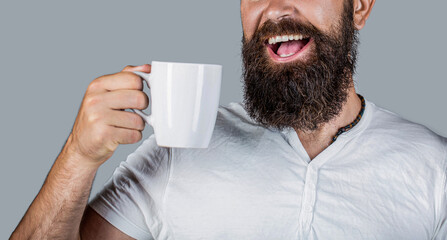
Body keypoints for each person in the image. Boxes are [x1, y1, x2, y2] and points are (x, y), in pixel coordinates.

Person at [10, 0, 447, 239]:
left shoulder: (435, 169)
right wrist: (78, 157)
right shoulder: (178, 153)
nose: (276, 8)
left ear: (360, 7)